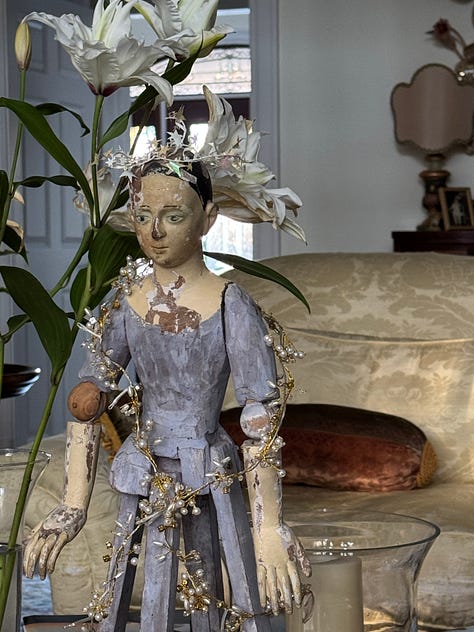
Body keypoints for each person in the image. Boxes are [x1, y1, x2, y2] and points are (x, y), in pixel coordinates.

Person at [23, 156, 310, 632]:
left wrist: (268, 526)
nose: (154, 231)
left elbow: (260, 420)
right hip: (145, 466)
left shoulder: (229, 303)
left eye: (173, 216)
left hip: (208, 468)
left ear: (208, 219)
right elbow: (89, 401)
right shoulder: (126, 301)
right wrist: (74, 502)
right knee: (130, 591)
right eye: (142, 216)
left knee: (233, 595)